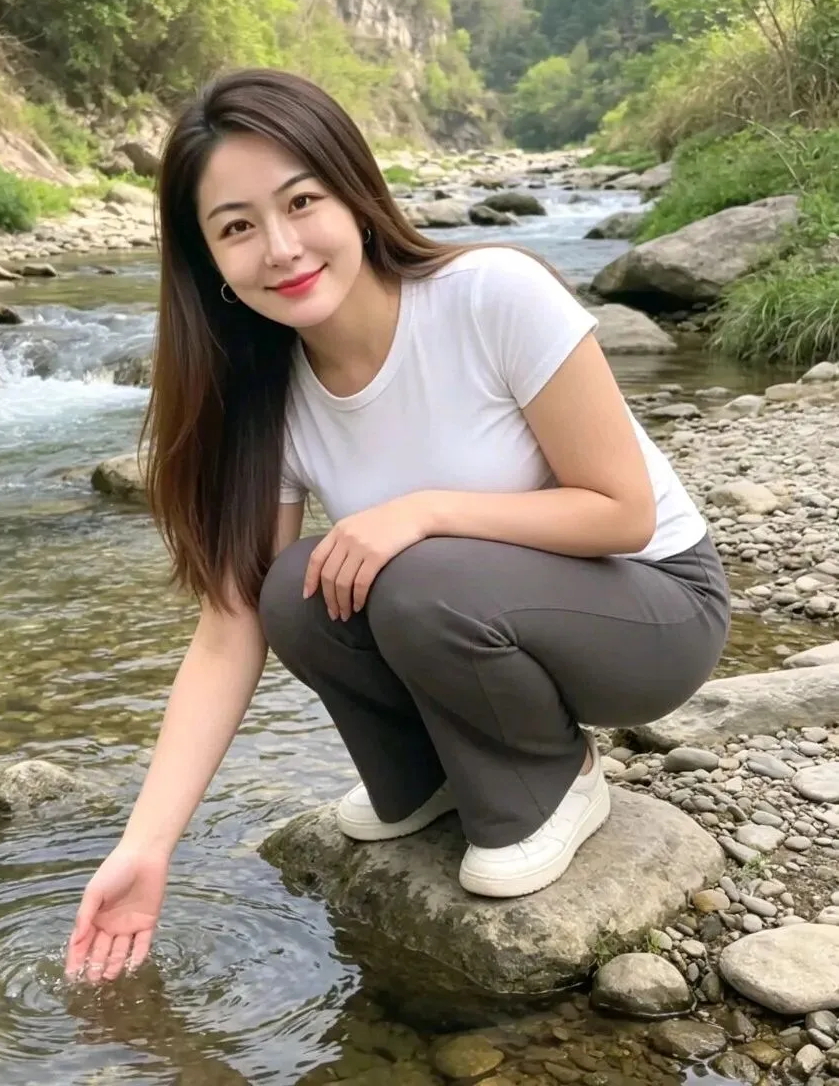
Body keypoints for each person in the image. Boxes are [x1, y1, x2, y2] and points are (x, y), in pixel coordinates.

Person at [64, 67, 730, 986]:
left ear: (355, 193)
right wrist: (145, 847)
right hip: (483, 606)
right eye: (237, 227)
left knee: (414, 572)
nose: (281, 247)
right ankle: (427, 775)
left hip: (654, 611)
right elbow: (229, 628)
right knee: (291, 589)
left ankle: (552, 781)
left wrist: (418, 511)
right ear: (207, 260)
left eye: (301, 201)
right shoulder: (269, 395)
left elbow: (621, 511)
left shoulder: (490, 294)